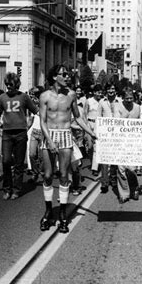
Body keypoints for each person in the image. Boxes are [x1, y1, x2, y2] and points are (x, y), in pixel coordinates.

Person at [38, 65, 96, 233]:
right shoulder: (44, 96)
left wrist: (91, 133)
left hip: (65, 136)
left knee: (64, 175)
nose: (68, 77)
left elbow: (78, 118)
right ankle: (48, 211)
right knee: (48, 175)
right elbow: (42, 120)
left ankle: (63, 214)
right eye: (64, 74)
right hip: (48, 136)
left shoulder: (71, 95)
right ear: (55, 77)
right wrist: (49, 140)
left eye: (68, 74)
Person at [0, 72, 38, 200]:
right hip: (7, 133)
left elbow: (36, 111)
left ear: (17, 84)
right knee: (6, 160)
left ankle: (16, 189)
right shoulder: (2, 98)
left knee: (19, 164)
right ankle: (7, 188)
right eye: (7, 84)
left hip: (20, 133)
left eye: (11, 84)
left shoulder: (24, 97)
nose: (9, 86)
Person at [113, 87, 141, 203]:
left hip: (133, 142)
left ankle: (134, 188)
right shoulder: (117, 107)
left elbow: (141, 123)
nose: (129, 100)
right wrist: (126, 117)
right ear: (123, 98)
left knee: (132, 168)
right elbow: (116, 122)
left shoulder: (138, 107)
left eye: (131, 98)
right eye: (126, 98)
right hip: (120, 141)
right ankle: (124, 193)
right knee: (121, 169)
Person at [97, 82, 121, 194]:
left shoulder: (120, 101)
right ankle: (104, 183)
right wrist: (96, 133)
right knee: (104, 159)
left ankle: (113, 179)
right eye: (109, 89)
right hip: (105, 134)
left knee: (115, 158)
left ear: (115, 90)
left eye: (113, 89)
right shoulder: (101, 102)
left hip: (117, 134)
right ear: (106, 91)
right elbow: (98, 117)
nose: (111, 91)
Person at [83, 84, 103, 176]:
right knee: (90, 147)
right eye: (98, 92)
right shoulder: (89, 101)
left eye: (101, 92)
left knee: (97, 147)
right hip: (90, 124)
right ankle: (93, 162)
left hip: (99, 125)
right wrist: (86, 126)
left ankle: (95, 167)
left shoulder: (103, 101)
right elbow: (84, 114)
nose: (100, 94)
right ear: (94, 92)